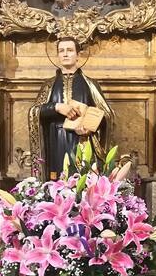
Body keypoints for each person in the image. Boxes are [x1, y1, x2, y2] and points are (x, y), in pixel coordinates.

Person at [28, 37, 114, 179]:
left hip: (82, 141)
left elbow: (106, 116)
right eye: (61, 51)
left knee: (81, 180)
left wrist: (89, 126)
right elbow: (35, 112)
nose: (65, 54)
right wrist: (56, 107)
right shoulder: (49, 85)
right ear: (57, 55)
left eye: (69, 50)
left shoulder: (90, 85)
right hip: (55, 140)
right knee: (56, 179)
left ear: (78, 55)